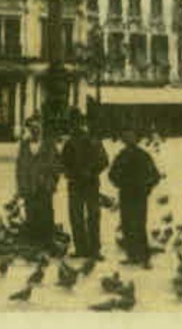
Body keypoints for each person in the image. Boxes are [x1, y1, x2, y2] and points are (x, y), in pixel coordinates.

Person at [60, 112, 109, 260]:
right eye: (72, 124)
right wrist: (69, 173)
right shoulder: (69, 143)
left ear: (82, 124)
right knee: (76, 216)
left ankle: (94, 249)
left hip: (90, 184)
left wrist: (91, 172)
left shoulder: (94, 141)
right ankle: (81, 248)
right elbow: (63, 162)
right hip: (75, 184)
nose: (75, 127)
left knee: (93, 216)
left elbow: (104, 161)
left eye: (77, 123)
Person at [108, 130, 160, 267]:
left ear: (136, 140)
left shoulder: (143, 156)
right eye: (126, 137)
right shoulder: (121, 156)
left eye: (131, 137)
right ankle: (132, 255)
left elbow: (155, 176)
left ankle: (144, 257)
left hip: (139, 196)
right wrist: (120, 184)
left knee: (139, 225)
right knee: (126, 225)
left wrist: (146, 189)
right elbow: (111, 174)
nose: (128, 140)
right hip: (126, 195)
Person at [16, 116, 59, 246]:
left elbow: (56, 166)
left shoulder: (49, 144)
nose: (35, 130)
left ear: (41, 129)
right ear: (28, 129)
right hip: (30, 187)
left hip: (44, 187)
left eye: (37, 127)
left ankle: (47, 242)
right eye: (32, 128)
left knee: (46, 215)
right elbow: (20, 168)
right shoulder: (24, 146)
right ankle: (33, 244)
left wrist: (51, 183)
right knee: (31, 214)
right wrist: (21, 187)